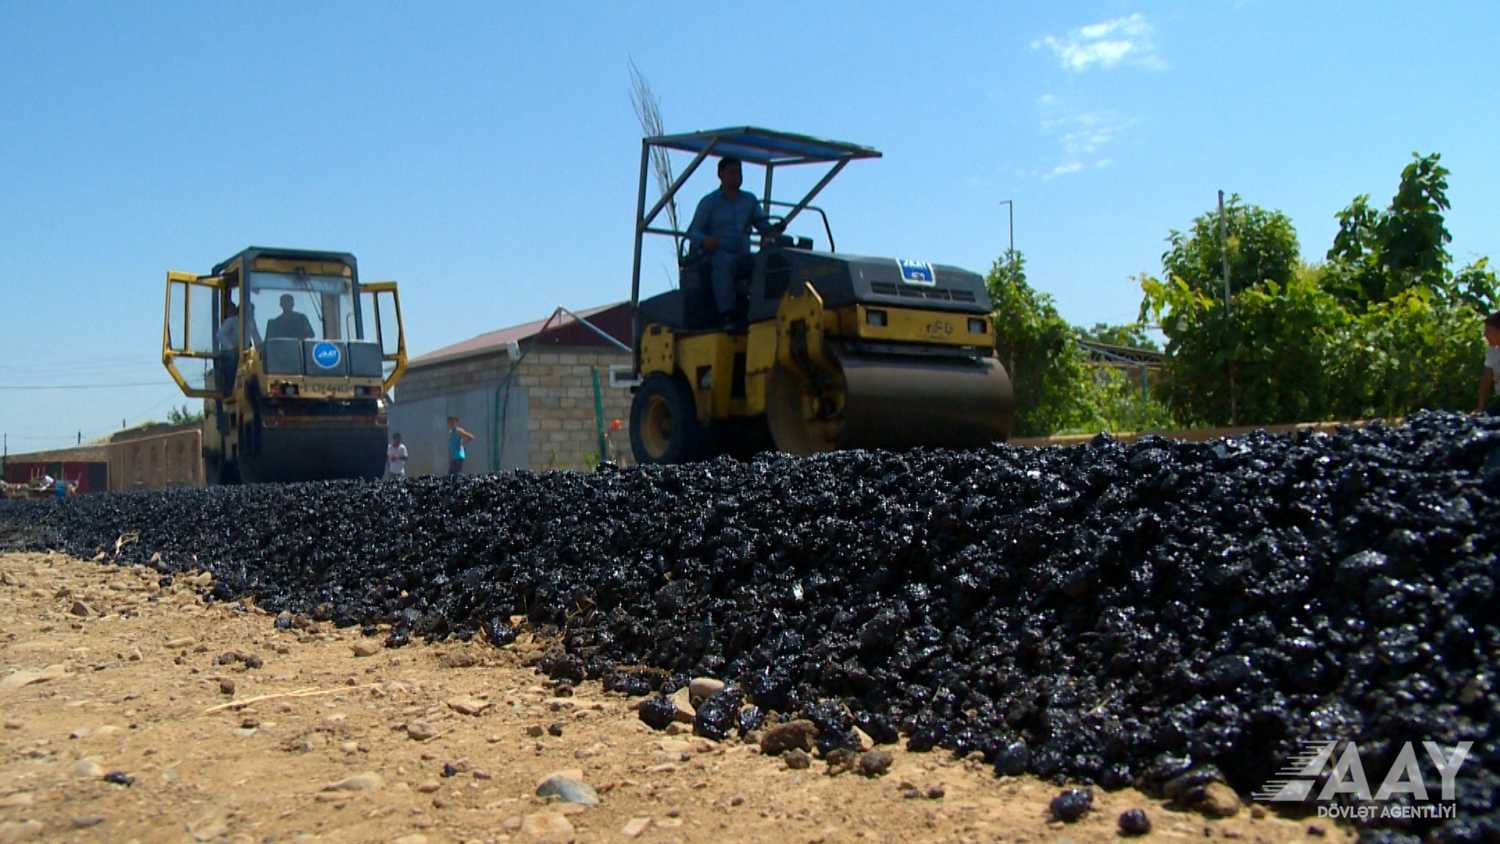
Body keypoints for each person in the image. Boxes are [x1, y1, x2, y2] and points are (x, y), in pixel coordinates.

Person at [685, 157, 783, 327]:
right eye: (732, 172)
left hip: (743, 254)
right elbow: (693, 232)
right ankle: (727, 315)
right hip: (718, 253)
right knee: (724, 263)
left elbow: (762, 226)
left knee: (767, 261)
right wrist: (706, 241)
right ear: (720, 175)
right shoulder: (709, 202)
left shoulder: (749, 201)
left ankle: (769, 309)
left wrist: (775, 229)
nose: (736, 176)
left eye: (739, 172)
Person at [1477, 311, 1500, 415]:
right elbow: (1486, 379)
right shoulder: (1493, 350)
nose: (1485, 335)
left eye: (1488, 331)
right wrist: (1480, 408)